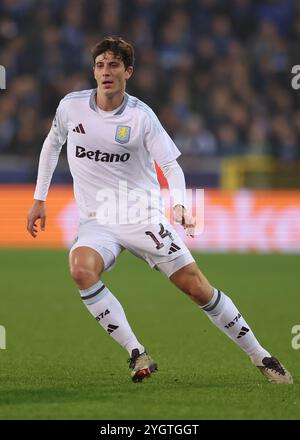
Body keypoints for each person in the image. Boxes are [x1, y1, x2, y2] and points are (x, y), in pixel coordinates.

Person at [27, 36, 292, 384]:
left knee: (198, 289)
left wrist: (179, 204)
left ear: (128, 72)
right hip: (98, 221)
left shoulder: (141, 117)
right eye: (101, 65)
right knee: (80, 269)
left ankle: (262, 356)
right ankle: (137, 353)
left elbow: (171, 166)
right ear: (93, 70)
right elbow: (51, 146)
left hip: (142, 217)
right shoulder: (71, 107)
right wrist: (39, 198)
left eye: (114, 65)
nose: (107, 72)